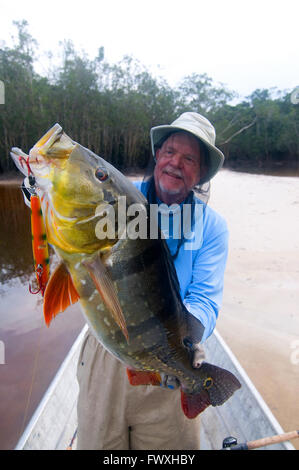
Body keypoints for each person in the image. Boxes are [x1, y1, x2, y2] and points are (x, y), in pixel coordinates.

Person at [75, 112, 229, 450]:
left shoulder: (213, 228)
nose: (176, 163)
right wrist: (36, 187)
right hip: (108, 345)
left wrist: (183, 340)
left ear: (201, 173)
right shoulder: (118, 198)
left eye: (190, 158)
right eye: (171, 151)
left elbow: (205, 297)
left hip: (171, 360)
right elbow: (72, 212)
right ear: (157, 155)